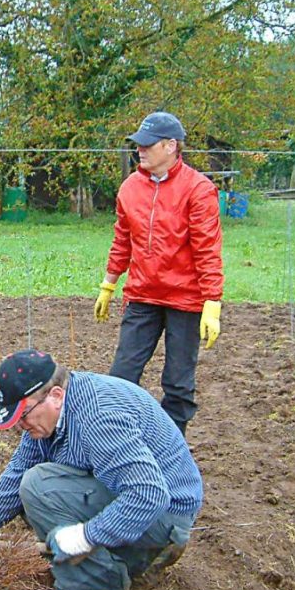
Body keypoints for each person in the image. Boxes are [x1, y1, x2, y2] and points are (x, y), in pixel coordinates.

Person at [0, 349, 203, 590]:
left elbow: (148, 495)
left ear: (56, 396)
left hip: (165, 514)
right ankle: (128, 557)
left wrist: (84, 537)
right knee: (32, 490)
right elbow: (18, 471)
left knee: (40, 488)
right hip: (132, 499)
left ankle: (100, 589)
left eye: (23, 415)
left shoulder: (98, 418)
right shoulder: (53, 413)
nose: (20, 426)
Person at [94, 111, 224, 437]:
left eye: (148, 145)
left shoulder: (198, 189)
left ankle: (172, 451)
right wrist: (109, 284)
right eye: (138, 144)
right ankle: (116, 442)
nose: (141, 150)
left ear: (170, 146)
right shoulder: (130, 188)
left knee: (178, 384)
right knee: (121, 375)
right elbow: (123, 239)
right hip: (142, 296)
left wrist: (212, 302)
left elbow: (207, 249)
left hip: (185, 300)